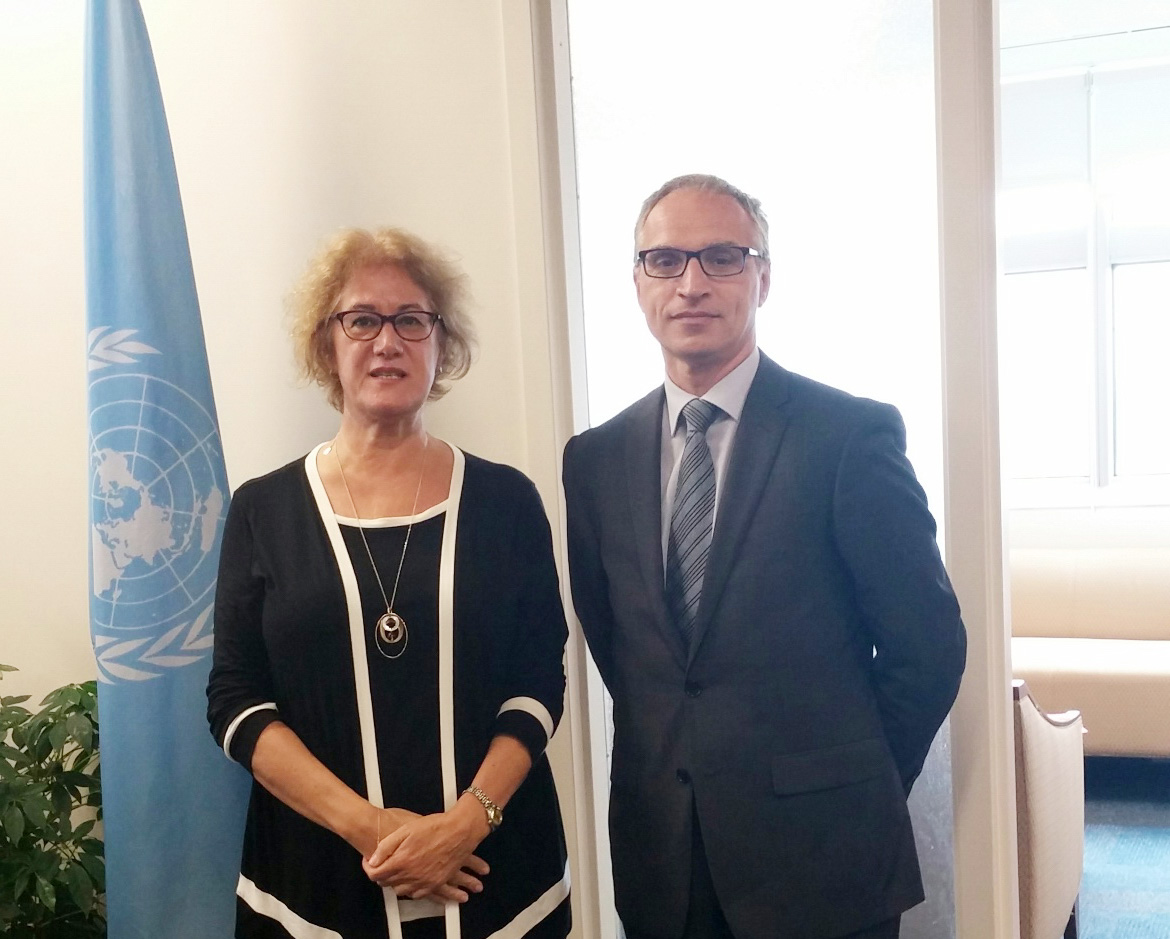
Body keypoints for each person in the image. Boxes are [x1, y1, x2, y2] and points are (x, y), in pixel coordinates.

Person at [562, 175, 967, 939]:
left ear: (763, 276)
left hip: (824, 858)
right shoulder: (595, 459)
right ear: (638, 280)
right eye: (665, 259)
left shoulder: (848, 435)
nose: (691, 283)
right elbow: (624, 645)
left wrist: (860, 783)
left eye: (722, 256)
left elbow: (929, 644)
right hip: (664, 859)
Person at [207, 227, 571, 939]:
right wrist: (374, 829)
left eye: (412, 319)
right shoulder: (263, 509)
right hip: (314, 888)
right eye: (362, 319)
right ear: (327, 345)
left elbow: (538, 678)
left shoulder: (506, 501)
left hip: (497, 878)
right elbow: (235, 699)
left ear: (442, 345)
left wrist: (467, 823)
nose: (387, 340)